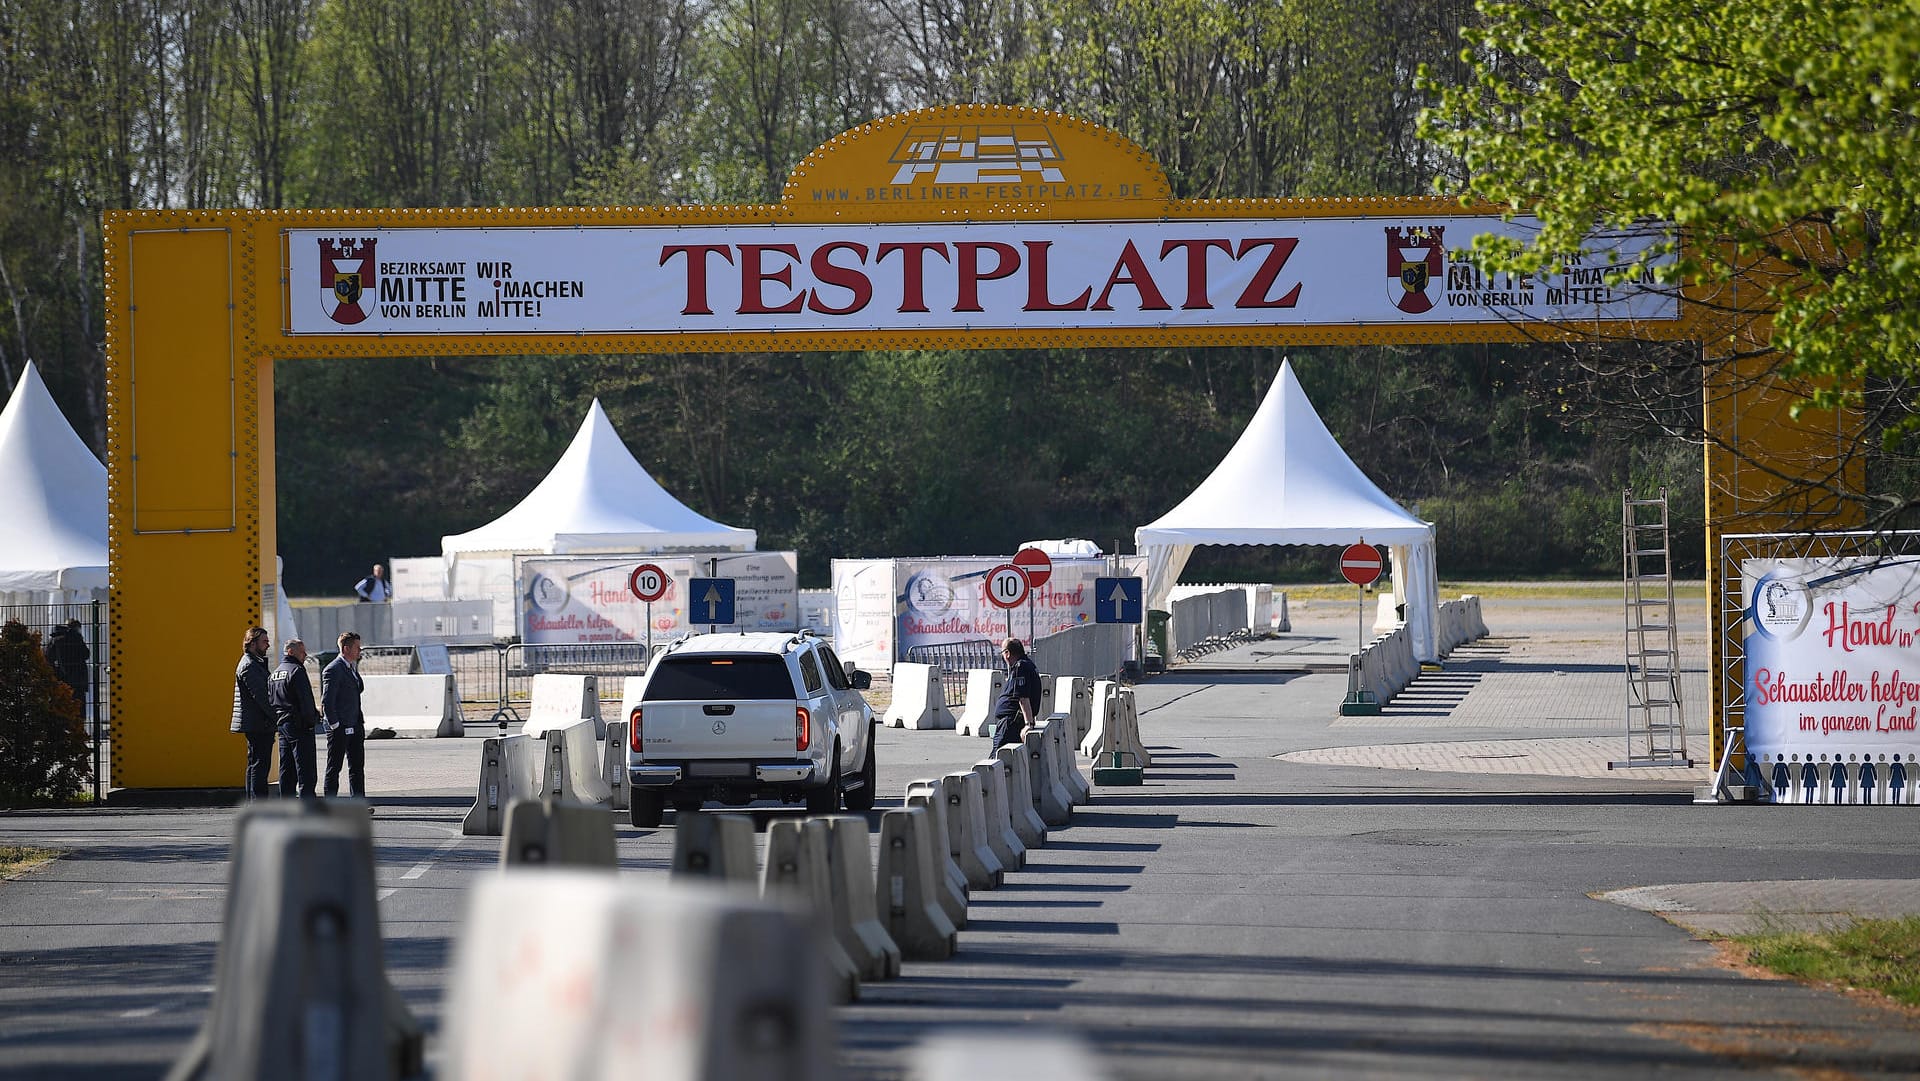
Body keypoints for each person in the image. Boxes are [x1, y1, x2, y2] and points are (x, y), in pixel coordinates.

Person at [268, 637, 320, 799]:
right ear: (291, 652)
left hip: (283, 725)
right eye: (302, 652)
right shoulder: (297, 671)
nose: (305, 655)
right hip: (300, 726)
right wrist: (312, 722)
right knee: (306, 769)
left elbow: (270, 701)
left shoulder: (275, 673)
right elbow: (306, 701)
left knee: (287, 768)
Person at [230, 627, 276, 800]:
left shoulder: (254, 663)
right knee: (259, 766)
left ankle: (255, 803)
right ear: (252, 643)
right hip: (258, 724)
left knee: (256, 764)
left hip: (259, 722)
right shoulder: (250, 666)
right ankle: (259, 804)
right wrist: (278, 718)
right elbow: (263, 697)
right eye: (264, 641)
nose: (268, 645)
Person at [322, 631, 368, 800]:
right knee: (334, 766)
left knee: (357, 767)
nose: (360, 650)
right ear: (346, 648)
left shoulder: (350, 668)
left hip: (355, 724)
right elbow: (327, 701)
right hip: (340, 727)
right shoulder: (333, 670)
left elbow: (357, 689)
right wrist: (335, 725)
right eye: (357, 647)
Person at [990, 637, 1042, 754]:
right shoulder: (1027, 665)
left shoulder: (1020, 667)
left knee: (998, 759)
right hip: (1014, 721)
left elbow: (1023, 697)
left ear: (1007, 653)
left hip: (1011, 723)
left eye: (1002, 652)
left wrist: (1028, 724)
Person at [43, 619, 90, 713]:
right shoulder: (76, 637)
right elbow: (86, 654)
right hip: (77, 678)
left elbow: (47, 657)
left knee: (60, 704)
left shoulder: (54, 639)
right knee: (78, 706)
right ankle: (78, 725)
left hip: (59, 677)